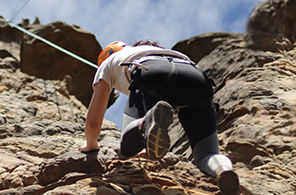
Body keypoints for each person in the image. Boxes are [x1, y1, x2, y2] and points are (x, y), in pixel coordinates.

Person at [80, 40, 240, 194]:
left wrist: (91, 144)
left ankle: (145, 123)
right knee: (207, 153)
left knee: (128, 147)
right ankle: (224, 171)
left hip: (151, 72)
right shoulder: (154, 51)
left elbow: (93, 124)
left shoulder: (108, 63)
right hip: (196, 76)